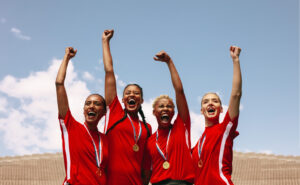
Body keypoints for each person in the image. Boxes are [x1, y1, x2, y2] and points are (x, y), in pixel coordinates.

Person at [102, 29, 152, 185]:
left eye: (136, 93)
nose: (132, 95)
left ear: (141, 100)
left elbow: (146, 166)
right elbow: (109, 72)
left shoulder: (147, 127)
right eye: (128, 93)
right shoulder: (114, 111)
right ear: (123, 99)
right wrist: (105, 42)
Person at [56, 47, 108, 185]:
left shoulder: (106, 140)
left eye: (96, 104)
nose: (91, 106)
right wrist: (67, 57)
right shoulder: (71, 127)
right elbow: (59, 84)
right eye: (88, 103)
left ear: (104, 112)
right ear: (84, 109)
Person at [192, 46, 242, 185]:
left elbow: (236, 95)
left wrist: (236, 60)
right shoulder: (197, 145)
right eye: (205, 101)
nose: (210, 103)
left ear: (220, 109)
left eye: (215, 101)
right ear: (202, 110)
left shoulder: (225, 129)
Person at [146, 51, 194, 185]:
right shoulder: (150, 141)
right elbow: (146, 172)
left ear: (174, 112)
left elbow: (179, 91)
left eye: (169, 106)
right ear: (154, 112)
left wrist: (169, 62)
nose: (165, 109)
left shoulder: (181, 126)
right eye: (161, 106)